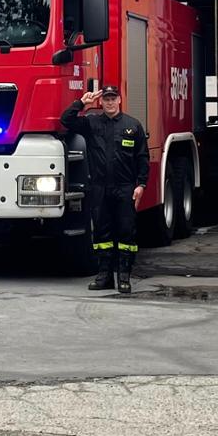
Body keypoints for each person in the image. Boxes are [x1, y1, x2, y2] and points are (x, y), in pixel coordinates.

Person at [62, 86, 150, 294]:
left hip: (125, 188)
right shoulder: (91, 123)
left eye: (113, 98)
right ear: (101, 102)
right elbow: (66, 120)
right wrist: (82, 103)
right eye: (106, 99)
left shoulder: (132, 126)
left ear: (120, 100)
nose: (110, 103)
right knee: (102, 234)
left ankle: (125, 277)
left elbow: (142, 158)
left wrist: (141, 184)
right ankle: (104, 277)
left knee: (126, 233)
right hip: (100, 188)